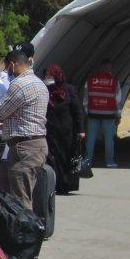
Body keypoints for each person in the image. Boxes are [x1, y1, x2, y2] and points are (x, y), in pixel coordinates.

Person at [0, 49, 48, 209]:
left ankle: (25, 232)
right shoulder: (39, 83)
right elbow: (26, 116)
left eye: (6, 68)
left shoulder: (19, 84)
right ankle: (30, 230)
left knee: (21, 199)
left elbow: (0, 111)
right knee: (27, 194)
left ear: (12, 64)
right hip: (37, 144)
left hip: (24, 147)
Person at [41, 64, 85, 194]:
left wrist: (80, 130)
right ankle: (53, 184)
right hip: (49, 130)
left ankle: (65, 185)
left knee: (65, 157)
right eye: (46, 75)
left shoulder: (69, 90)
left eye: (50, 75)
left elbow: (77, 111)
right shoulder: (43, 90)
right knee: (51, 158)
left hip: (66, 131)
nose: (48, 78)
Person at [85, 58, 120, 168]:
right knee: (109, 138)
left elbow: (85, 97)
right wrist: (118, 115)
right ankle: (109, 162)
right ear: (110, 68)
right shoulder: (114, 82)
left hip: (93, 113)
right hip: (109, 115)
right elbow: (118, 100)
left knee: (90, 138)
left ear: (100, 67)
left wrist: (87, 111)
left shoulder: (90, 81)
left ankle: (87, 162)